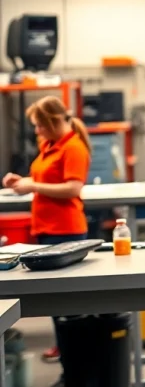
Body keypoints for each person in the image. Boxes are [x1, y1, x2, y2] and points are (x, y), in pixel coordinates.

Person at [2, 96, 92, 373]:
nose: (37, 131)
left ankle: (78, 365)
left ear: (53, 122)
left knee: (70, 305)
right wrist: (22, 181)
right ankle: (68, 357)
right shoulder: (49, 145)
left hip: (66, 231)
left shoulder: (74, 148)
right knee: (57, 303)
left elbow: (72, 189)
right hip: (46, 229)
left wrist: (33, 186)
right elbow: (44, 180)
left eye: (40, 126)